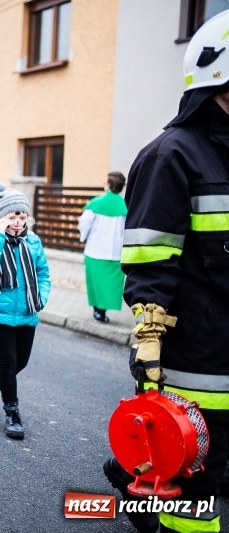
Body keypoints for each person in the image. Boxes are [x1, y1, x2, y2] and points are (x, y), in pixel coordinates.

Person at [102, 11, 229, 533]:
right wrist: (149, 343)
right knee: (195, 487)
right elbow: (151, 260)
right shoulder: (172, 156)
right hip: (197, 361)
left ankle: (135, 474)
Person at [0, 183, 50, 439]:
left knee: (22, 362)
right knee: (8, 363)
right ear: (2, 218)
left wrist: (42, 296)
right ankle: (12, 414)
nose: (17, 221)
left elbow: (43, 273)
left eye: (21, 216)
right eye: (12, 216)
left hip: (28, 311)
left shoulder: (33, 241)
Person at [77, 171, 127, 323]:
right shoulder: (125, 205)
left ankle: (97, 310)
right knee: (111, 283)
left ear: (109, 185)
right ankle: (103, 311)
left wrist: (83, 237)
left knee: (96, 282)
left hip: (95, 249)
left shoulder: (96, 203)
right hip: (116, 253)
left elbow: (85, 223)